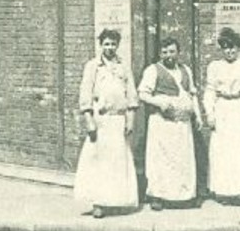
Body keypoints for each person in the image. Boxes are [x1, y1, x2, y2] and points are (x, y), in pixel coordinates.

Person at [72, 28, 138, 218]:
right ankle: (98, 202)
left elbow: (131, 94)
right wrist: (89, 120)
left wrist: (130, 120)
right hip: (100, 122)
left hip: (118, 121)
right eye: (106, 44)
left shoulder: (123, 66)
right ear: (100, 45)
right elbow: (85, 94)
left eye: (113, 44)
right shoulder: (93, 66)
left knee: (117, 163)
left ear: (118, 45)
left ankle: (115, 201)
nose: (110, 47)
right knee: (98, 163)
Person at [136, 36, 200, 209]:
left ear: (178, 52)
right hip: (162, 123)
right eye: (164, 52)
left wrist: (198, 115)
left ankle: (184, 196)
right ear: (160, 53)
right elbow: (142, 93)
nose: (168, 55)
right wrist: (160, 102)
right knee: (161, 160)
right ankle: (158, 196)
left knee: (182, 159)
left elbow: (192, 94)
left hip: (182, 124)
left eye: (172, 51)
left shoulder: (185, 69)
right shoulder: (153, 70)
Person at [203, 27, 240, 203]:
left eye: (232, 47)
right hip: (223, 110)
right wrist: (210, 113)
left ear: (238, 48)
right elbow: (210, 91)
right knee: (223, 152)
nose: (229, 51)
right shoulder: (215, 66)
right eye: (225, 48)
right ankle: (225, 192)